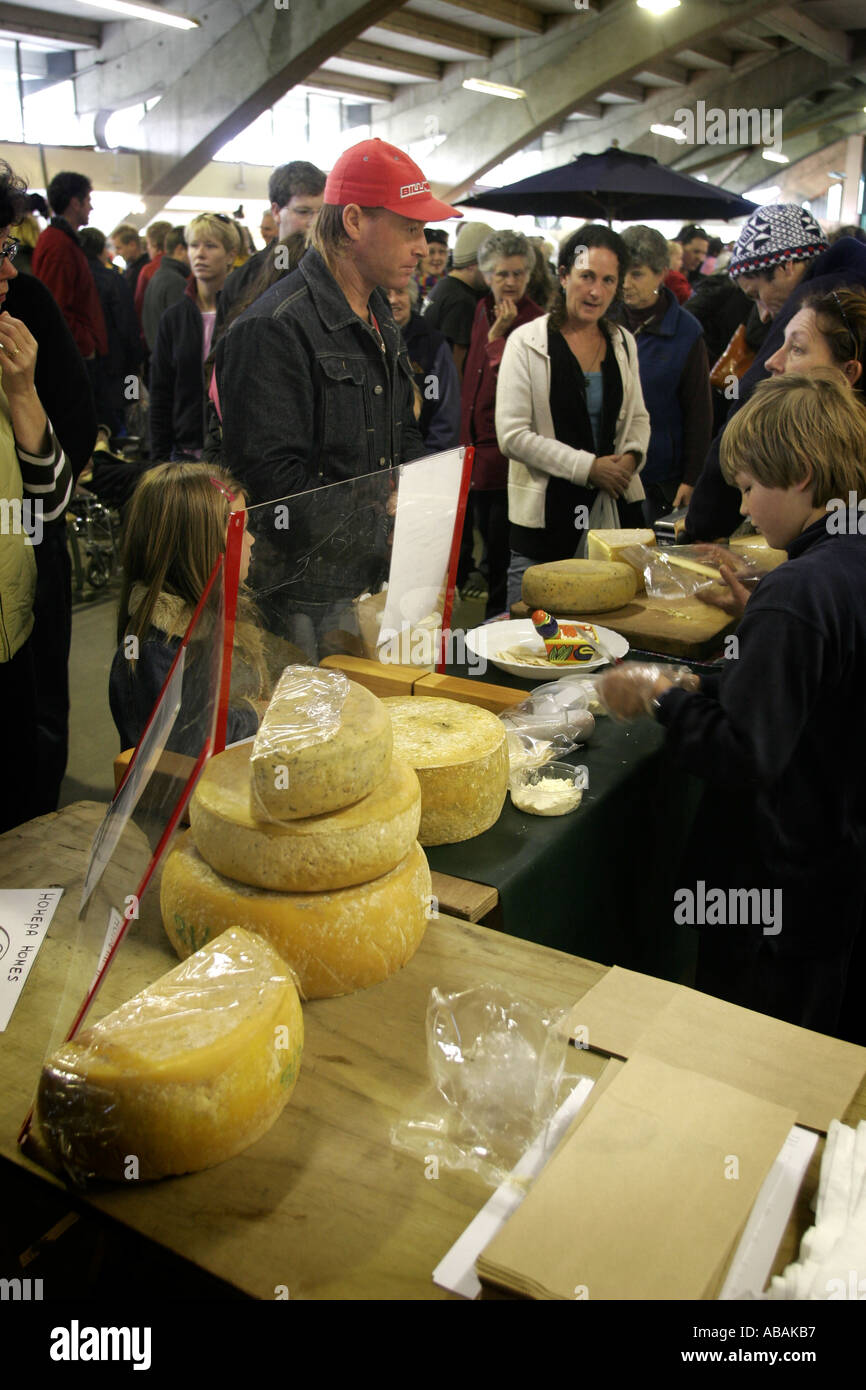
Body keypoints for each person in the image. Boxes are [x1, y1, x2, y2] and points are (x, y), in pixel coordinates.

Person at [598, 371, 866, 1044]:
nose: (744, 509)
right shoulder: (835, 566)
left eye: (749, 488)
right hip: (841, 871)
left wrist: (663, 695)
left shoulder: (798, 593)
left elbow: (743, 753)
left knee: (760, 1045)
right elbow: (816, 686)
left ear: (800, 475)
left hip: (785, 884)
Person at [215, 138, 459, 656]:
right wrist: (382, 518)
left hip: (375, 578)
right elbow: (273, 485)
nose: (422, 246)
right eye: (410, 229)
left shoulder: (377, 315)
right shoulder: (272, 329)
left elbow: (404, 430)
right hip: (305, 600)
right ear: (353, 221)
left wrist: (416, 498)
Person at [685, 203, 866, 541]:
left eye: (757, 295)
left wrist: (700, 528)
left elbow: (751, 409)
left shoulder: (817, 297)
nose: (764, 315)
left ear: (787, 266)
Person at [496, 224, 650, 608]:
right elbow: (512, 435)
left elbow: (639, 418)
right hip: (546, 523)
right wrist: (589, 467)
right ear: (563, 276)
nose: (596, 291)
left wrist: (628, 460)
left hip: (616, 512)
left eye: (608, 280)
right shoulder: (526, 342)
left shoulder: (622, 343)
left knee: (606, 640)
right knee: (538, 642)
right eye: (586, 276)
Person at [0, 164, 74, 832]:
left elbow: (51, 505)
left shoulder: (10, 348)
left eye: (8, 248)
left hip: (15, 634)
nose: (8, 270)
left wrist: (23, 393)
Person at [109, 463, 264, 754]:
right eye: (241, 529)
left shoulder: (210, 617)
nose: (251, 540)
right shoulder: (153, 650)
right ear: (200, 548)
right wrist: (256, 716)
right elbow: (189, 738)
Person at [461, 231, 543, 617]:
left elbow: (519, 395)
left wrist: (497, 339)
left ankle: (496, 634)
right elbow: (470, 382)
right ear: (486, 274)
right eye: (501, 274)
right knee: (481, 546)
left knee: (500, 557)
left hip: (507, 459)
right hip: (474, 454)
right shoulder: (480, 308)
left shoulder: (536, 323)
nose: (510, 282)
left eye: (518, 273)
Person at [617, 225, 712, 522]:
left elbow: (699, 410)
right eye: (621, 273)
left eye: (637, 274)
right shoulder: (603, 320)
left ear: (660, 274)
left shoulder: (686, 332)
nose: (625, 284)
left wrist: (692, 477)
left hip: (660, 479)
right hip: (608, 474)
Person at [150, 213, 239, 460]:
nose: (200, 254)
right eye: (193, 245)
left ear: (231, 254)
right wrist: (158, 459)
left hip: (231, 451)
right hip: (185, 451)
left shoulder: (243, 315)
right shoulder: (174, 318)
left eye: (210, 246)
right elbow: (161, 391)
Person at [216, 161, 326, 334]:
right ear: (276, 211)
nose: (314, 222)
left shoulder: (336, 270)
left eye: (322, 212)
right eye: (303, 212)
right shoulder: (245, 278)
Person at [31, 171, 107, 362]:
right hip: (72, 356)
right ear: (75, 203)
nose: (91, 207)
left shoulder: (61, 241)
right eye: (88, 200)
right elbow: (57, 307)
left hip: (73, 351)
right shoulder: (59, 245)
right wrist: (86, 345)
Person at [79, 226, 141, 434]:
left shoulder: (74, 279)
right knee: (127, 415)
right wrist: (135, 364)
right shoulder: (113, 279)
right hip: (119, 369)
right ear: (102, 250)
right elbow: (128, 326)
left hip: (86, 368)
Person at [387, 279, 460, 454]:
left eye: (400, 292)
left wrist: (431, 458)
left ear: (411, 297)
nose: (393, 300)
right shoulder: (366, 341)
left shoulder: (432, 345)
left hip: (422, 454)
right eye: (386, 294)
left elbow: (443, 409)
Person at [422, 221, 493, 379]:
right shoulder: (462, 300)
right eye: (489, 266)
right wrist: (460, 402)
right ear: (472, 264)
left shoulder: (444, 285)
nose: (492, 275)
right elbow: (456, 364)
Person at [141, 226, 189, 352]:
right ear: (180, 249)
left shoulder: (160, 275)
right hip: (171, 363)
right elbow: (180, 334)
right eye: (194, 247)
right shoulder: (176, 282)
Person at [133, 220, 173, 324]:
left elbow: (139, 305)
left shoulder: (148, 270)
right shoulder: (184, 267)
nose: (148, 249)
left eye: (148, 244)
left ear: (154, 244)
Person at [112, 222, 149, 297]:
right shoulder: (131, 268)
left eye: (119, 248)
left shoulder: (145, 270)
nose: (116, 253)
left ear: (132, 245)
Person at [413, 228, 449, 302]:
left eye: (441, 252)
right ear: (419, 256)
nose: (437, 257)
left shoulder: (452, 287)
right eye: (431, 252)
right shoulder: (407, 287)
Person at [663, 238, 692, 306]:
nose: (681, 263)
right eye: (679, 259)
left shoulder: (656, 275)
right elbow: (686, 297)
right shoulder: (676, 277)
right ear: (669, 258)